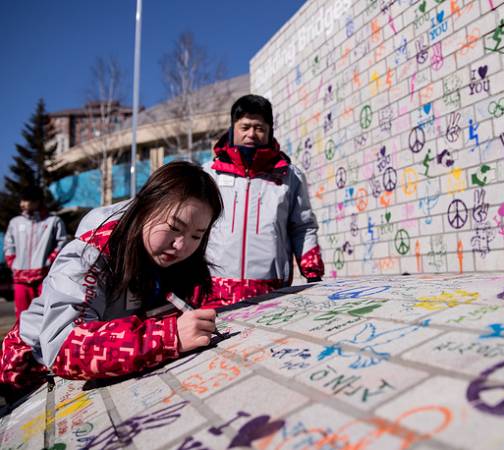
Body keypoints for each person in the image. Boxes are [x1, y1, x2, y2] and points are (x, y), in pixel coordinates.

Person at [0, 161, 223, 398]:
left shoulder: (172, 258)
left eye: (196, 236)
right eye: (174, 227)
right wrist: (168, 336)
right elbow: (64, 347)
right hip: (32, 369)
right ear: (146, 207)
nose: (181, 245)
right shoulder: (90, 253)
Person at [203, 94, 324, 306]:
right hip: (214, 290)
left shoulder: (290, 176)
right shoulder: (209, 174)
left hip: (271, 289)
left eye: (259, 128)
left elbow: (303, 227)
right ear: (233, 128)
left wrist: (312, 273)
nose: (252, 134)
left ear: (270, 132)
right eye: (245, 127)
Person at [3, 187, 67, 322]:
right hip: (20, 278)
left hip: (44, 278)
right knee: (22, 316)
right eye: (21, 200)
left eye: (26, 200)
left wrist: (49, 261)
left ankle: (43, 343)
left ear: (37, 201)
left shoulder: (53, 221)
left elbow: (62, 243)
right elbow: (9, 245)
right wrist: (12, 262)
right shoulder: (15, 222)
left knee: (46, 315)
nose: (22, 204)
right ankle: (22, 343)